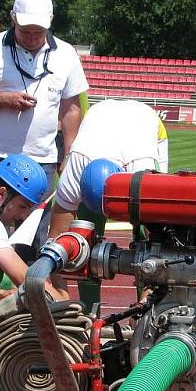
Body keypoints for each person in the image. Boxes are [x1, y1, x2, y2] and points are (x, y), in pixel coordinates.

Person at [0, 0, 89, 244]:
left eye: (38, 32)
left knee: (37, 236)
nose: (31, 37)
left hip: (42, 160)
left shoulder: (66, 54)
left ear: (49, 24)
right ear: (12, 19)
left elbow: (71, 106)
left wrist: (70, 152)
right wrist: (4, 99)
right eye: (25, 31)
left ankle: (32, 283)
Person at [49, 99, 169, 306]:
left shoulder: (143, 171)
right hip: (98, 120)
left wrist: (149, 295)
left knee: (146, 232)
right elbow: (54, 241)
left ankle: (144, 305)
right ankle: (88, 308)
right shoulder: (75, 172)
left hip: (146, 125)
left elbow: (161, 244)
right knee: (83, 238)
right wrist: (62, 297)